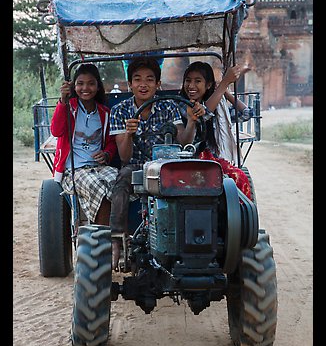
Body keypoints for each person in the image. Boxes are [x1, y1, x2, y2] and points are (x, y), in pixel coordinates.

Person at [109, 56, 203, 269]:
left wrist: (191, 122)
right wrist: (129, 135)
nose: (144, 84)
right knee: (122, 179)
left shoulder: (168, 107)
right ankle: (117, 239)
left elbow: (183, 141)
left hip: (166, 167)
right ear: (130, 84)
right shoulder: (120, 111)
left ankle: (191, 240)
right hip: (136, 168)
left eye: (150, 79)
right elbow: (124, 157)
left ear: (157, 84)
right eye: (138, 79)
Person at [50, 63, 118, 229]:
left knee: (119, 182)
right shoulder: (69, 108)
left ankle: (117, 235)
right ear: (74, 86)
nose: (85, 88)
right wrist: (63, 101)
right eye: (80, 83)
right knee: (97, 187)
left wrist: (107, 154)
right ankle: (100, 240)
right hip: (75, 170)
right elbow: (56, 131)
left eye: (91, 83)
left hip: (99, 167)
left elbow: (111, 142)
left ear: (97, 86)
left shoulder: (105, 112)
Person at [178, 61, 252, 199]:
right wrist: (224, 83)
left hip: (214, 161)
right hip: (191, 160)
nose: (191, 86)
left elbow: (246, 114)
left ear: (208, 85)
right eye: (188, 81)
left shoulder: (218, 108)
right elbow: (203, 114)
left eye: (197, 81)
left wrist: (226, 93)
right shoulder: (182, 105)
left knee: (239, 179)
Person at [116, 0, 166, 77]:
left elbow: (168, 11)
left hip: (155, 52)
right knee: (132, 79)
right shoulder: (119, 0)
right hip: (130, 53)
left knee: (153, 78)